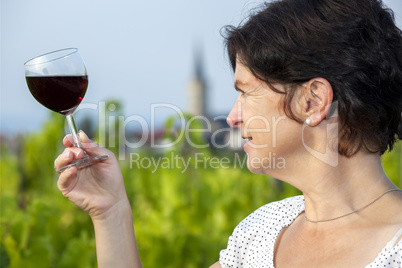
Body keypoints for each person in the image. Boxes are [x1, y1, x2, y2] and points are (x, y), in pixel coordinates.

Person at [54, 0, 402, 267]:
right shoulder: (261, 234)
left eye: (246, 92)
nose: (233, 117)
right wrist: (111, 211)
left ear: (312, 102)